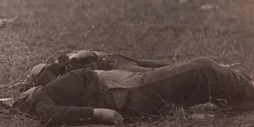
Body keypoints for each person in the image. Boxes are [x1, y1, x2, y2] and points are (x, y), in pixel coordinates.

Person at [2, 56, 254, 126]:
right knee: (201, 69)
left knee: (198, 86)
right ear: (22, 100)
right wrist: (98, 113)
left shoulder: (51, 85)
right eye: (26, 89)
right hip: (127, 93)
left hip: (127, 85)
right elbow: (50, 116)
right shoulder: (38, 99)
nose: (29, 89)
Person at [21, 50, 171, 88]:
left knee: (148, 66)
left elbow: (87, 54)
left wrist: (76, 58)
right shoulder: (63, 77)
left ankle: (176, 66)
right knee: (147, 72)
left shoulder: (67, 61)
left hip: (112, 61)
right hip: (115, 69)